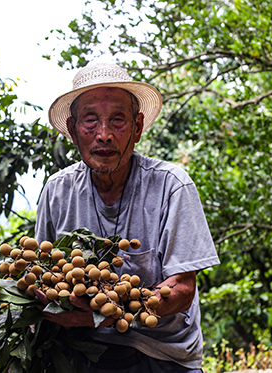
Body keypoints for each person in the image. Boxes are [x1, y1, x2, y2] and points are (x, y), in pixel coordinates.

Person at [34, 60, 220, 372]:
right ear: (72, 130)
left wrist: (114, 312)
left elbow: (183, 289)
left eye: (117, 120)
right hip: (84, 349)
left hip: (162, 353)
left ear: (137, 128)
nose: (104, 134)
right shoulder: (57, 191)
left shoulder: (171, 186)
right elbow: (43, 272)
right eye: (90, 121)